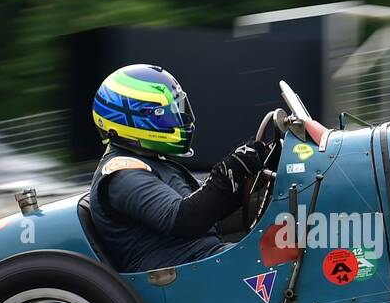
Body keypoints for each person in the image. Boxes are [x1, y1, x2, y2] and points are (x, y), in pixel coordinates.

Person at [87, 64, 275, 273]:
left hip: (203, 262)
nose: (177, 119)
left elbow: (206, 206)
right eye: (163, 114)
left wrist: (255, 170)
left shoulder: (152, 161)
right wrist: (228, 172)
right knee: (297, 257)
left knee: (296, 243)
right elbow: (186, 219)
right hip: (180, 275)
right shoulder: (121, 173)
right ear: (130, 119)